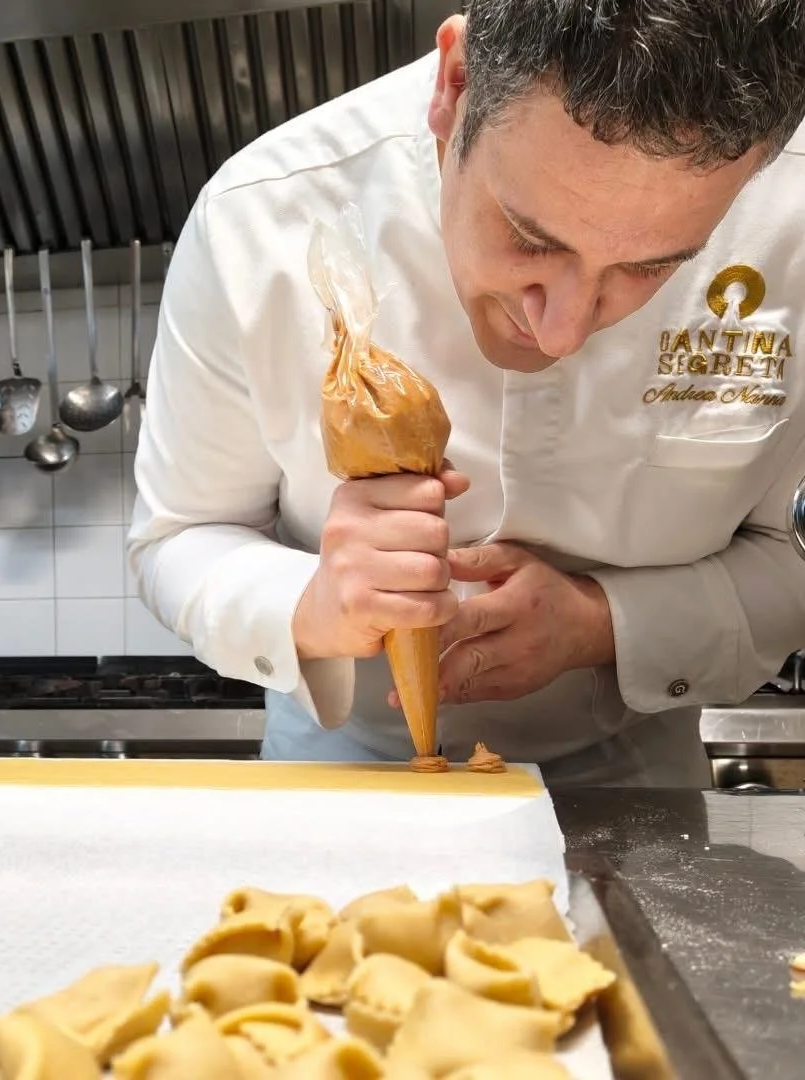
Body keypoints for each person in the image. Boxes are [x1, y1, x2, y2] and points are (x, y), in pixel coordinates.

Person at [127, 1, 805, 786]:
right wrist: (311, 600)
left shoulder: (793, 213)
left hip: (633, 777)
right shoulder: (257, 216)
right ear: (456, 82)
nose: (561, 333)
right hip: (345, 774)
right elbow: (178, 536)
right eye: (530, 237)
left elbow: (791, 551)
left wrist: (602, 623)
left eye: (652, 267)